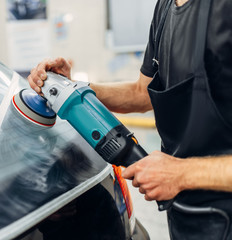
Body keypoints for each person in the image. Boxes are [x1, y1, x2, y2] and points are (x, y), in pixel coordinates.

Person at [28, 0, 232, 239]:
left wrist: (181, 173)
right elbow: (141, 92)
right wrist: (70, 88)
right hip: (188, 216)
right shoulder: (165, 8)